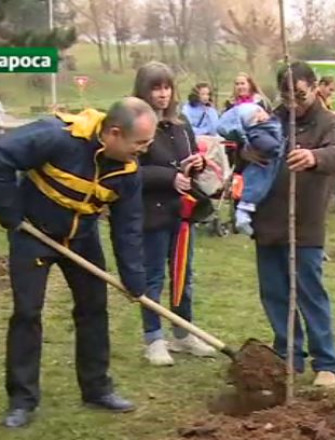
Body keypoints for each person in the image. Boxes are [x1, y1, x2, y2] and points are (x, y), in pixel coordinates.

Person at [0, 97, 157, 428]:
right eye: (140, 143)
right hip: (33, 234)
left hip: (82, 238)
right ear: (114, 133)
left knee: (94, 308)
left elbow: (128, 227)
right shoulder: (57, 136)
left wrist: (134, 281)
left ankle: (97, 388)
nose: (144, 150)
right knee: (27, 313)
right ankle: (22, 400)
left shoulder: (128, 171)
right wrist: (9, 212)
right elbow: (3, 155)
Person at [243, 61, 335, 388]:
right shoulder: (270, 119)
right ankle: (288, 356)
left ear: (314, 88)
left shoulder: (330, 123)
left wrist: (314, 157)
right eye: (287, 96)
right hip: (268, 221)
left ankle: (326, 363)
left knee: (310, 294)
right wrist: (246, 152)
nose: (293, 104)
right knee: (275, 294)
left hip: (305, 224)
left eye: (300, 96)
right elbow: (244, 149)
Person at [133, 61, 216, 366]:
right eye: (156, 87)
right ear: (144, 91)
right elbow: (131, 171)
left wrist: (196, 165)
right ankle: (154, 338)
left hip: (182, 215)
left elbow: (188, 159)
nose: (163, 93)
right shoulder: (135, 125)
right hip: (151, 214)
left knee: (184, 275)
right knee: (153, 276)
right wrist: (169, 178)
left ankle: (183, 333)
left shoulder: (181, 125)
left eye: (167, 87)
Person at [216, 102, 284, 235]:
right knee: (256, 181)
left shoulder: (274, 123)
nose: (262, 115)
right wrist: (276, 150)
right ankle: (244, 210)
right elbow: (269, 146)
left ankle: (244, 211)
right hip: (266, 173)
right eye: (256, 114)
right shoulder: (259, 131)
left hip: (279, 179)